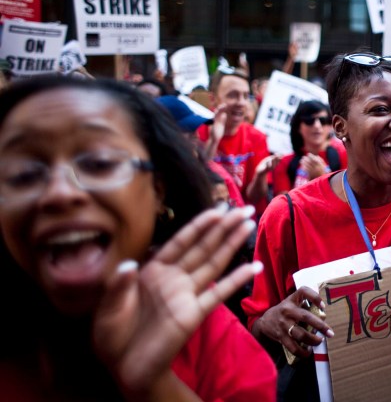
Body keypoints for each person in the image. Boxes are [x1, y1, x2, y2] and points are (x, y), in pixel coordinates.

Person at [0, 74, 276, 400]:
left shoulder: (215, 341)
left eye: (99, 163)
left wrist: (157, 386)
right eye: (24, 173)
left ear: (159, 191)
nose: (58, 192)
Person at [242, 51, 391, 399]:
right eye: (380, 110)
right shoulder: (288, 214)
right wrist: (271, 322)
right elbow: (254, 329)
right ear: (340, 127)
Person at [198, 66, 280, 217]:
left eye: (245, 96)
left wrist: (260, 175)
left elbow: (255, 197)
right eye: (233, 95)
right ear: (213, 99)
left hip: (243, 223)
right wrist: (214, 141)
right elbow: (196, 180)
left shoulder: (257, 137)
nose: (241, 102)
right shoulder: (197, 132)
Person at [272, 100, 347, 196]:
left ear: (330, 125)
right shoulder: (285, 163)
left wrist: (321, 179)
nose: (317, 126)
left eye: (323, 120)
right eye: (309, 121)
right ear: (298, 127)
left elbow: (347, 200)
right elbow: (283, 206)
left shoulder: (344, 155)